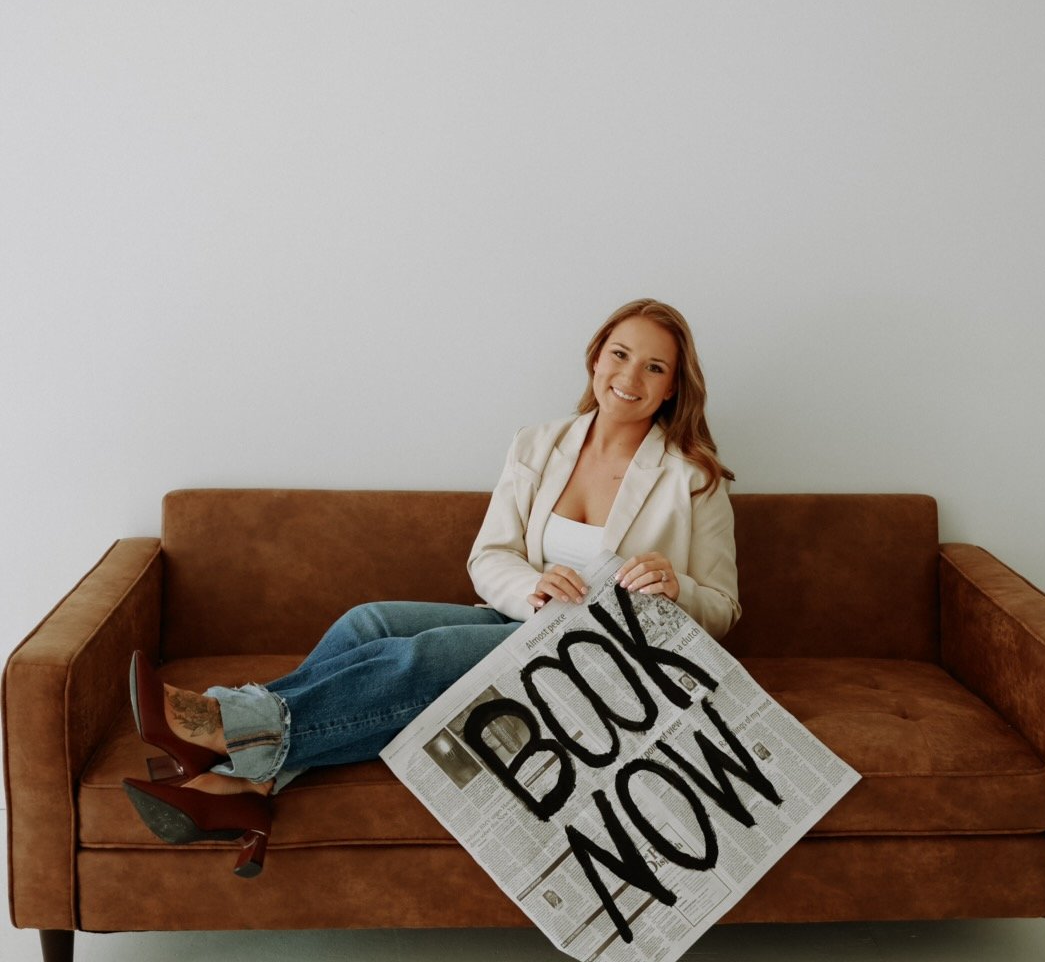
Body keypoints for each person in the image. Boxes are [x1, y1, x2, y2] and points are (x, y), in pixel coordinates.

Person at [123, 298, 740, 877]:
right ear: (596, 357)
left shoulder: (694, 477)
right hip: (526, 620)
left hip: (600, 664)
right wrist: (535, 589)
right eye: (620, 354)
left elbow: (723, 607)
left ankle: (230, 728)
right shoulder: (538, 443)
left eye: (654, 367)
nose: (630, 376)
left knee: (422, 656)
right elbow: (490, 556)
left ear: (672, 387)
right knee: (368, 622)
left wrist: (676, 587)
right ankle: (253, 783)